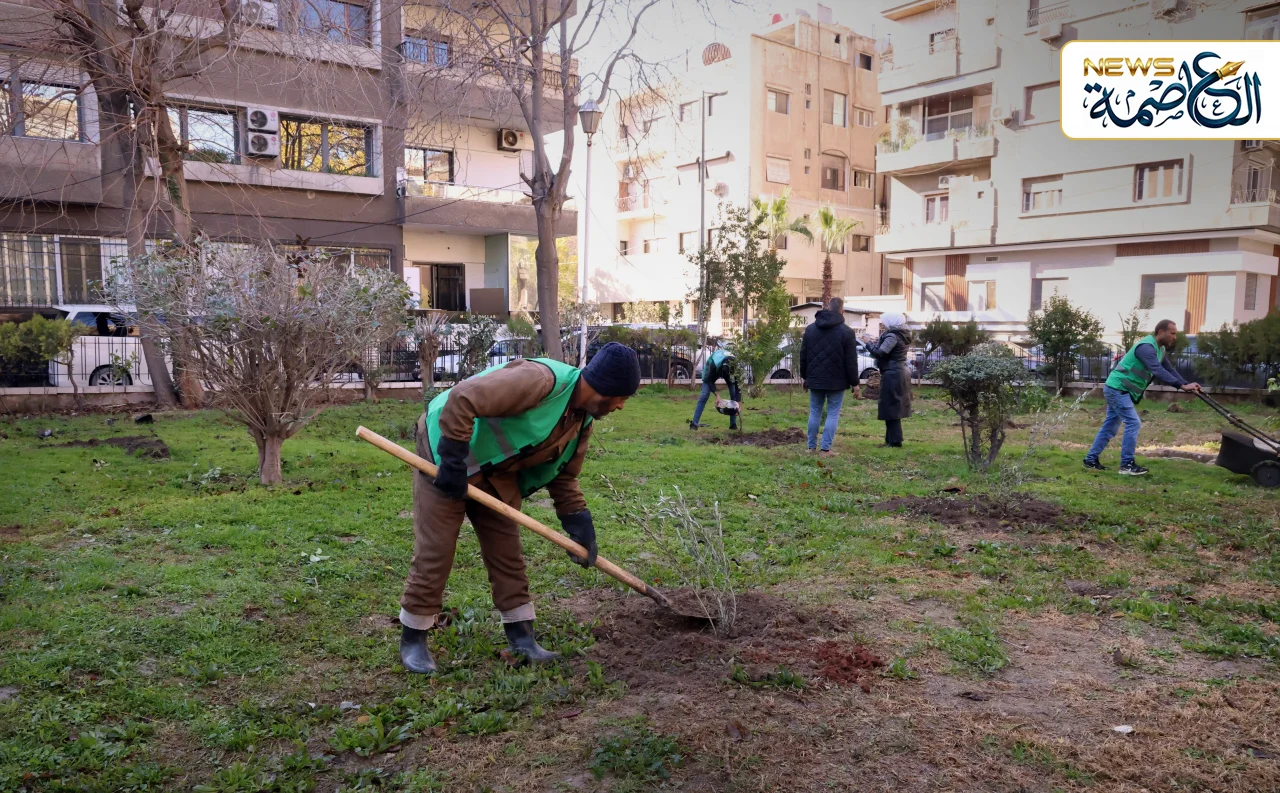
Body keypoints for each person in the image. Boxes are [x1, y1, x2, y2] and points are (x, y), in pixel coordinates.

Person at [399, 342, 641, 674]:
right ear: (605, 388)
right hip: (443, 451)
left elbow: (564, 476)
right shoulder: (539, 381)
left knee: (507, 551)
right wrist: (452, 460)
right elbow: (463, 398)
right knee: (436, 549)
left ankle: (522, 637)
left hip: (494, 469)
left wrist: (578, 523)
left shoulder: (580, 421)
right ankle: (413, 637)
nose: (622, 406)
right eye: (621, 397)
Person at [1084, 319, 1201, 476]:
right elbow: (1157, 370)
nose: (1174, 337)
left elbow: (1169, 369)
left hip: (1120, 389)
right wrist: (1181, 386)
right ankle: (1127, 465)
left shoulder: (1160, 350)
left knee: (1110, 426)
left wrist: (1186, 384)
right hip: (1118, 388)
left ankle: (1090, 460)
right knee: (1133, 423)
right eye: (1172, 333)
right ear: (1161, 332)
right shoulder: (1146, 347)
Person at [799, 297, 861, 455]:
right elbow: (851, 361)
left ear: (827, 308)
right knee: (833, 413)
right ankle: (825, 449)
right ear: (842, 311)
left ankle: (811, 448)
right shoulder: (847, 332)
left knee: (815, 412)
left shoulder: (810, 329)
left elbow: (803, 356)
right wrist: (855, 383)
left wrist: (805, 377)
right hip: (837, 381)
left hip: (815, 379)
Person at [862, 312, 913, 447]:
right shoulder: (901, 334)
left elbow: (880, 353)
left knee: (891, 407)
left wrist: (868, 343)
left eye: (884, 321)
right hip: (899, 372)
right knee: (893, 406)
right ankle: (891, 440)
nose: (883, 324)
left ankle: (895, 442)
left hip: (893, 373)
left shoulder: (892, 336)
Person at [690, 342, 742, 430]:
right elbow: (709, 380)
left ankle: (733, 425)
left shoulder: (736, 368)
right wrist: (717, 395)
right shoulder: (714, 364)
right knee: (704, 395)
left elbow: (738, 386)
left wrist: (739, 403)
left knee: (734, 396)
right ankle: (694, 424)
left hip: (728, 370)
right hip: (712, 370)